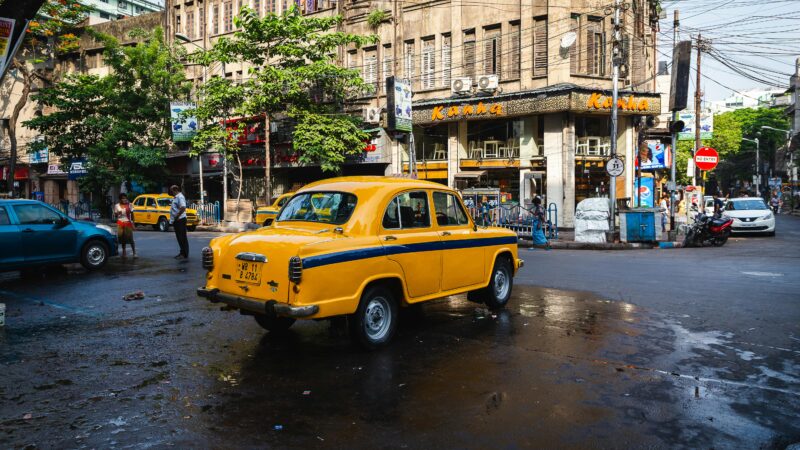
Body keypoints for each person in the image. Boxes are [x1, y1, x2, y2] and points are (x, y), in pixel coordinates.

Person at [114, 193, 136, 258]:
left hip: (128, 223)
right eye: (123, 198)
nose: (124, 199)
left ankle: (134, 253)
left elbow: (132, 214)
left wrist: (133, 223)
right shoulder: (117, 206)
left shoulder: (130, 205)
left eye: (125, 198)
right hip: (120, 223)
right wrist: (118, 213)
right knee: (121, 238)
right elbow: (115, 215)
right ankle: (124, 253)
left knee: (130, 238)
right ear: (120, 199)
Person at [169, 185, 189, 259]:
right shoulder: (176, 197)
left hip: (180, 220)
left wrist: (177, 216)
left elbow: (183, 207)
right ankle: (183, 252)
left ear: (175, 190)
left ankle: (184, 253)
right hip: (177, 220)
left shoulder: (180, 197)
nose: (171, 192)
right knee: (179, 237)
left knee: (182, 237)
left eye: (171, 191)